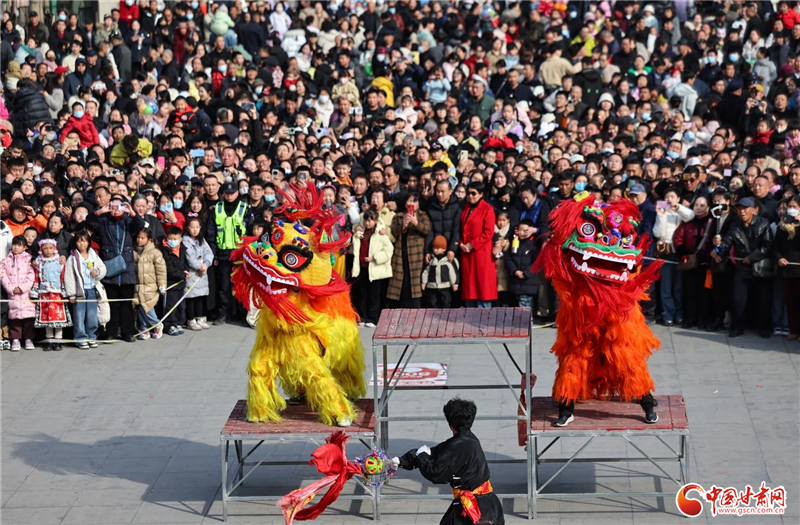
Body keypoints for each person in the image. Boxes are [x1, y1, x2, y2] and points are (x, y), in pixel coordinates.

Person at [393, 398, 505, 525]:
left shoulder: (457, 445)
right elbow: (434, 453)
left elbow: (436, 473)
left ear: (450, 426)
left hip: (476, 510)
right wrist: (401, 461)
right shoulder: (468, 440)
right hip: (490, 506)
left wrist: (421, 456)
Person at [712, 197, 774, 338]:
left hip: (760, 267)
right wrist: (717, 251)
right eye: (739, 208)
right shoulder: (734, 225)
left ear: (753, 210)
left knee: (763, 299)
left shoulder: (763, 223)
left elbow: (767, 245)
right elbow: (726, 242)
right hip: (742, 267)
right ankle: (737, 327)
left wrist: (752, 257)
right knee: (738, 299)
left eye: (745, 208)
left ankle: (763, 328)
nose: (742, 211)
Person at [96, 196, 144, 343]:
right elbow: (89, 223)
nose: (116, 209)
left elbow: (141, 225)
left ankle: (127, 332)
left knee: (126, 303)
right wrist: (100, 212)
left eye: (120, 206)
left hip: (126, 265)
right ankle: (111, 332)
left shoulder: (128, 221)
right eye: (113, 206)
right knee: (112, 303)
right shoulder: (104, 221)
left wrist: (133, 213)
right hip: (110, 264)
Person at [205, 181, 252, 324]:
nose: (230, 195)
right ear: (223, 194)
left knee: (241, 285)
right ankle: (223, 313)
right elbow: (211, 233)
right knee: (224, 286)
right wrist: (214, 254)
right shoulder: (217, 209)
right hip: (223, 253)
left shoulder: (245, 208)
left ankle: (241, 313)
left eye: (232, 193)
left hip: (241, 254)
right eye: (227, 193)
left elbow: (251, 232)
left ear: (237, 193)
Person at [387, 192, 431, 308]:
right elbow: (394, 231)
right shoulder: (398, 216)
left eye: (414, 201)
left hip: (415, 255)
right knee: (401, 281)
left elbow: (427, 230)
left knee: (414, 283)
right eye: (409, 201)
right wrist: (403, 226)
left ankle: (414, 309)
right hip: (400, 253)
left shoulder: (423, 216)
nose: (411, 203)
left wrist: (416, 223)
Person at [64, 230, 107, 349]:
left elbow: (103, 268)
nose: (82, 244)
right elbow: (69, 277)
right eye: (79, 241)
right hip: (79, 292)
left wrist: (97, 272)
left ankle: (91, 337)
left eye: (84, 241)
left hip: (92, 289)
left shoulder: (94, 255)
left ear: (88, 242)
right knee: (79, 316)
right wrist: (71, 294)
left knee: (92, 315)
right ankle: (80, 338)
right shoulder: (72, 258)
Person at [351, 209, 393, 327]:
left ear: (375, 221)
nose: (367, 223)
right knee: (362, 294)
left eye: (370, 220)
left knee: (374, 295)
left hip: (375, 269)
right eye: (366, 220)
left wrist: (374, 258)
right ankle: (363, 317)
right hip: (362, 267)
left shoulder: (380, 234)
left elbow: (389, 250)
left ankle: (373, 318)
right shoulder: (360, 232)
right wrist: (355, 231)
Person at [459, 182, 497, 308]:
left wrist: (472, 244)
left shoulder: (487, 209)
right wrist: (461, 243)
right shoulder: (466, 208)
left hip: (481, 253)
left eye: (473, 193)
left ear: (481, 194)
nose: (470, 196)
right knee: (469, 289)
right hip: (467, 254)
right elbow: (462, 230)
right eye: (468, 193)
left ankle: (484, 317)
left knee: (482, 288)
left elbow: (488, 232)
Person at [31, 238, 72, 351]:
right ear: (41, 249)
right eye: (45, 248)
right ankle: (49, 340)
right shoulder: (39, 262)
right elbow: (36, 277)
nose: (48, 250)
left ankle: (58, 340)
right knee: (47, 318)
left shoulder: (59, 261)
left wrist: (64, 291)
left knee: (58, 317)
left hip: (57, 294)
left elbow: (63, 277)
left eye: (50, 248)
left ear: (55, 248)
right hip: (44, 294)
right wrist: (35, 291)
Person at [0, 235, 35, 351]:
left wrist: (23, 288)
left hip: (26, 294)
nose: (16, 247)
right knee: (14, 317)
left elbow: (31, 275)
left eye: (19, 245)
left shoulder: (29, 259)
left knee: (28, 317)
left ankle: (28, 338)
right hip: (13, 294)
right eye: (14, 244)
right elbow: (2, 275)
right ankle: (15, 339)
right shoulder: (6, 260)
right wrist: (10, 288)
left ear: (25, 247)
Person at [133, 228, 166, 340]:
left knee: (147, 306)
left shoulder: (155, 253)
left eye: (142, 238)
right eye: (138, 237)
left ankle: (157, 325)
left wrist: (162, 285)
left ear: (149, 239)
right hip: (138, 286)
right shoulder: (134, 252)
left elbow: (161, 271)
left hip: (150, 286)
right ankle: (144, 328)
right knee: (140, 307)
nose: (139, 240)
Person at [775, 196, 800, 340]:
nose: (791, 209)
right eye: (789, 206)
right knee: (791, 303)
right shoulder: (782, 226)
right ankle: (794, 330)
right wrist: (779, 258)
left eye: (794, 206)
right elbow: (776, 246)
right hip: (787, 270)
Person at [182, 217, 213, 330]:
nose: (195, 230)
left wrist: (206, 264)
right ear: (187, 228)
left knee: (200, 296)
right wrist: (200, 266)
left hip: (202, 273)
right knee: (191, 297)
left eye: (197, 227)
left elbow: (208, 252)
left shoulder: (202, 240)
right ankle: (191, 320)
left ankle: (199, 317)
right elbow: (189, 257)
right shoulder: (185, 241)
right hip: (193, 273)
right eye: (192, 227)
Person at [160, 226, 188, 336]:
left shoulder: (182, 249)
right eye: (170, 239)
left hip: (181, 283)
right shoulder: (164, 250)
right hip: (170, 283)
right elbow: (168, 268)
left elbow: (185, 262)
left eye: (175, 239)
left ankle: (178, 322)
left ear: (180, 239)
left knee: (180, 304)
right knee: (170, 305)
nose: (172, 241)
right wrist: (182, 274)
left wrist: (186, 271)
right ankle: (169, 324)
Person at [505, 219, 538, 309]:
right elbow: (508, 258)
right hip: (515, 283)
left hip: (528, 283)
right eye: (520, 230)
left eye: (525, 230)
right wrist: (515, 271)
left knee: (524, 306)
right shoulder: (514, 242)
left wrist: (526, 274)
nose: (522, 233)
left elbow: (537, 262)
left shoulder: (534, 244)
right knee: (516, 308)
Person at [421, 234, 460, 308]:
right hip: (432, 286)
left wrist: (454, 284)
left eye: (438, 248)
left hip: (445, 286)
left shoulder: (447, 261)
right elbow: (426, 272)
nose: (435, 250)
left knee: (446, 303)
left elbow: (452, 273)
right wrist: (424, 282)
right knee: (432, 303)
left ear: (444, 249)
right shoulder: (431, 260)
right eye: (434, 248)